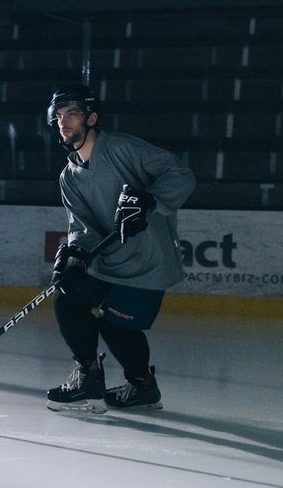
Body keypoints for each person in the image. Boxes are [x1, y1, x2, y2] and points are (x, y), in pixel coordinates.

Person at [45, 84, 195, 413]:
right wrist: (72, 256)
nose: (64, 122)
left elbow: (181, 174)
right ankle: (89, 376)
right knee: (66, 301)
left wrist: (150, 200)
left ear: (92, 118)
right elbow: (82, 228)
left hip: (146, 262)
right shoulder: (69, 176)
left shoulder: (120, 148)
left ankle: (142, 386)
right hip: (107, 262)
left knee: (115, 326)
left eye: (72, 114)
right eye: (58, 116)